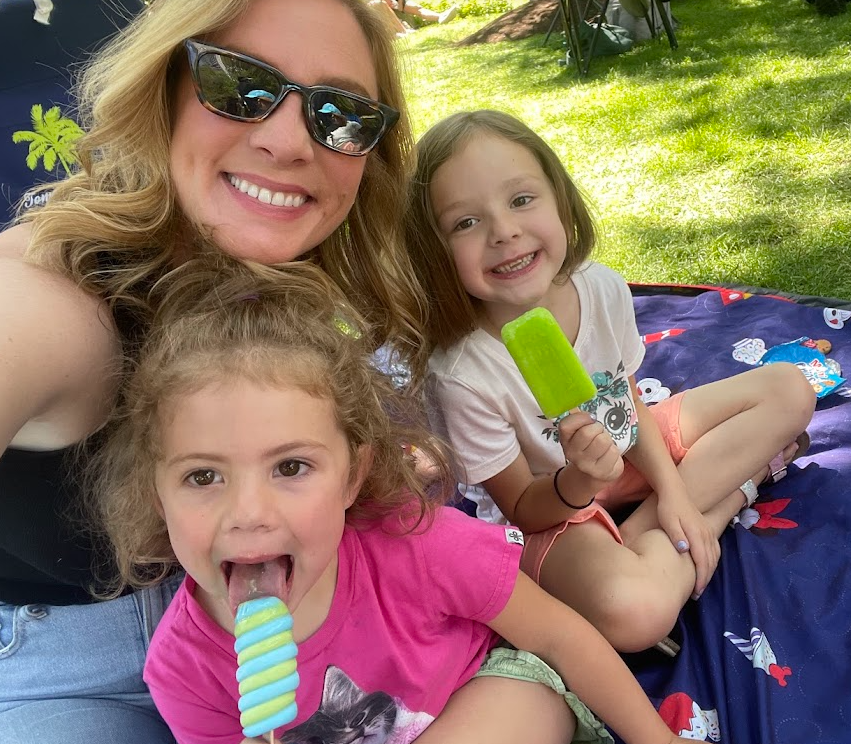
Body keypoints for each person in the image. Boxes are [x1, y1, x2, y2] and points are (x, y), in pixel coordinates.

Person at [0, 0, 427, 742]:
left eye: (340, 113)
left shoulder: (281, 281)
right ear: (163, 89)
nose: (292, 142)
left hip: (276, 629)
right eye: (241, 85)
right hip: (71, 680)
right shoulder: (49, 299)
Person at [89, 256, 689, 744]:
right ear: (155, 494)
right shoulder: (181, 671)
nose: (249, 513)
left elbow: (559, 636)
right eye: (202, 477)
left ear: (353, 476)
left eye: (291, 467)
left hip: (494, 695)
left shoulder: (416, 544)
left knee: (517, 698)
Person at [403, 110, 816, 654]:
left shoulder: (600, 289)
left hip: (627, 450)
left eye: (521, 199)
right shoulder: (461, 375)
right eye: (466, 222)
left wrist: (672, 494)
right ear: (435, 253)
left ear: (561, 201)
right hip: (553, 512)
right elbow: (523, 507)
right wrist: (578, 480)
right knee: (635, 616)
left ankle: (661, 529)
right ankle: (734, 492)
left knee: (790, 387)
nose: (504, 231)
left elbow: (629, 403)